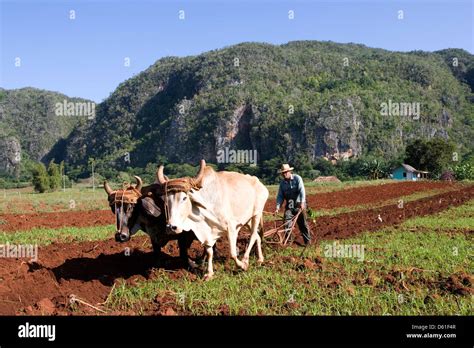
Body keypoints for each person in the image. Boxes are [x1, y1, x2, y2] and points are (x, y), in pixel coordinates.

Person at [274, 164, 311, 245]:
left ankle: (308, 242)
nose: (284, 174)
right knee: (286, 223)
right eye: (283, 173)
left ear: (289, 171)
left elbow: (302, 191)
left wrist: (302, 202)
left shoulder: (297, 178)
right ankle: (289, 242)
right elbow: (280, 196)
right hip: (290, 206)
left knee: (303, 224)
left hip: (299, 205)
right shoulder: (282, 184)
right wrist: (277, 208)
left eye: (286, 172)